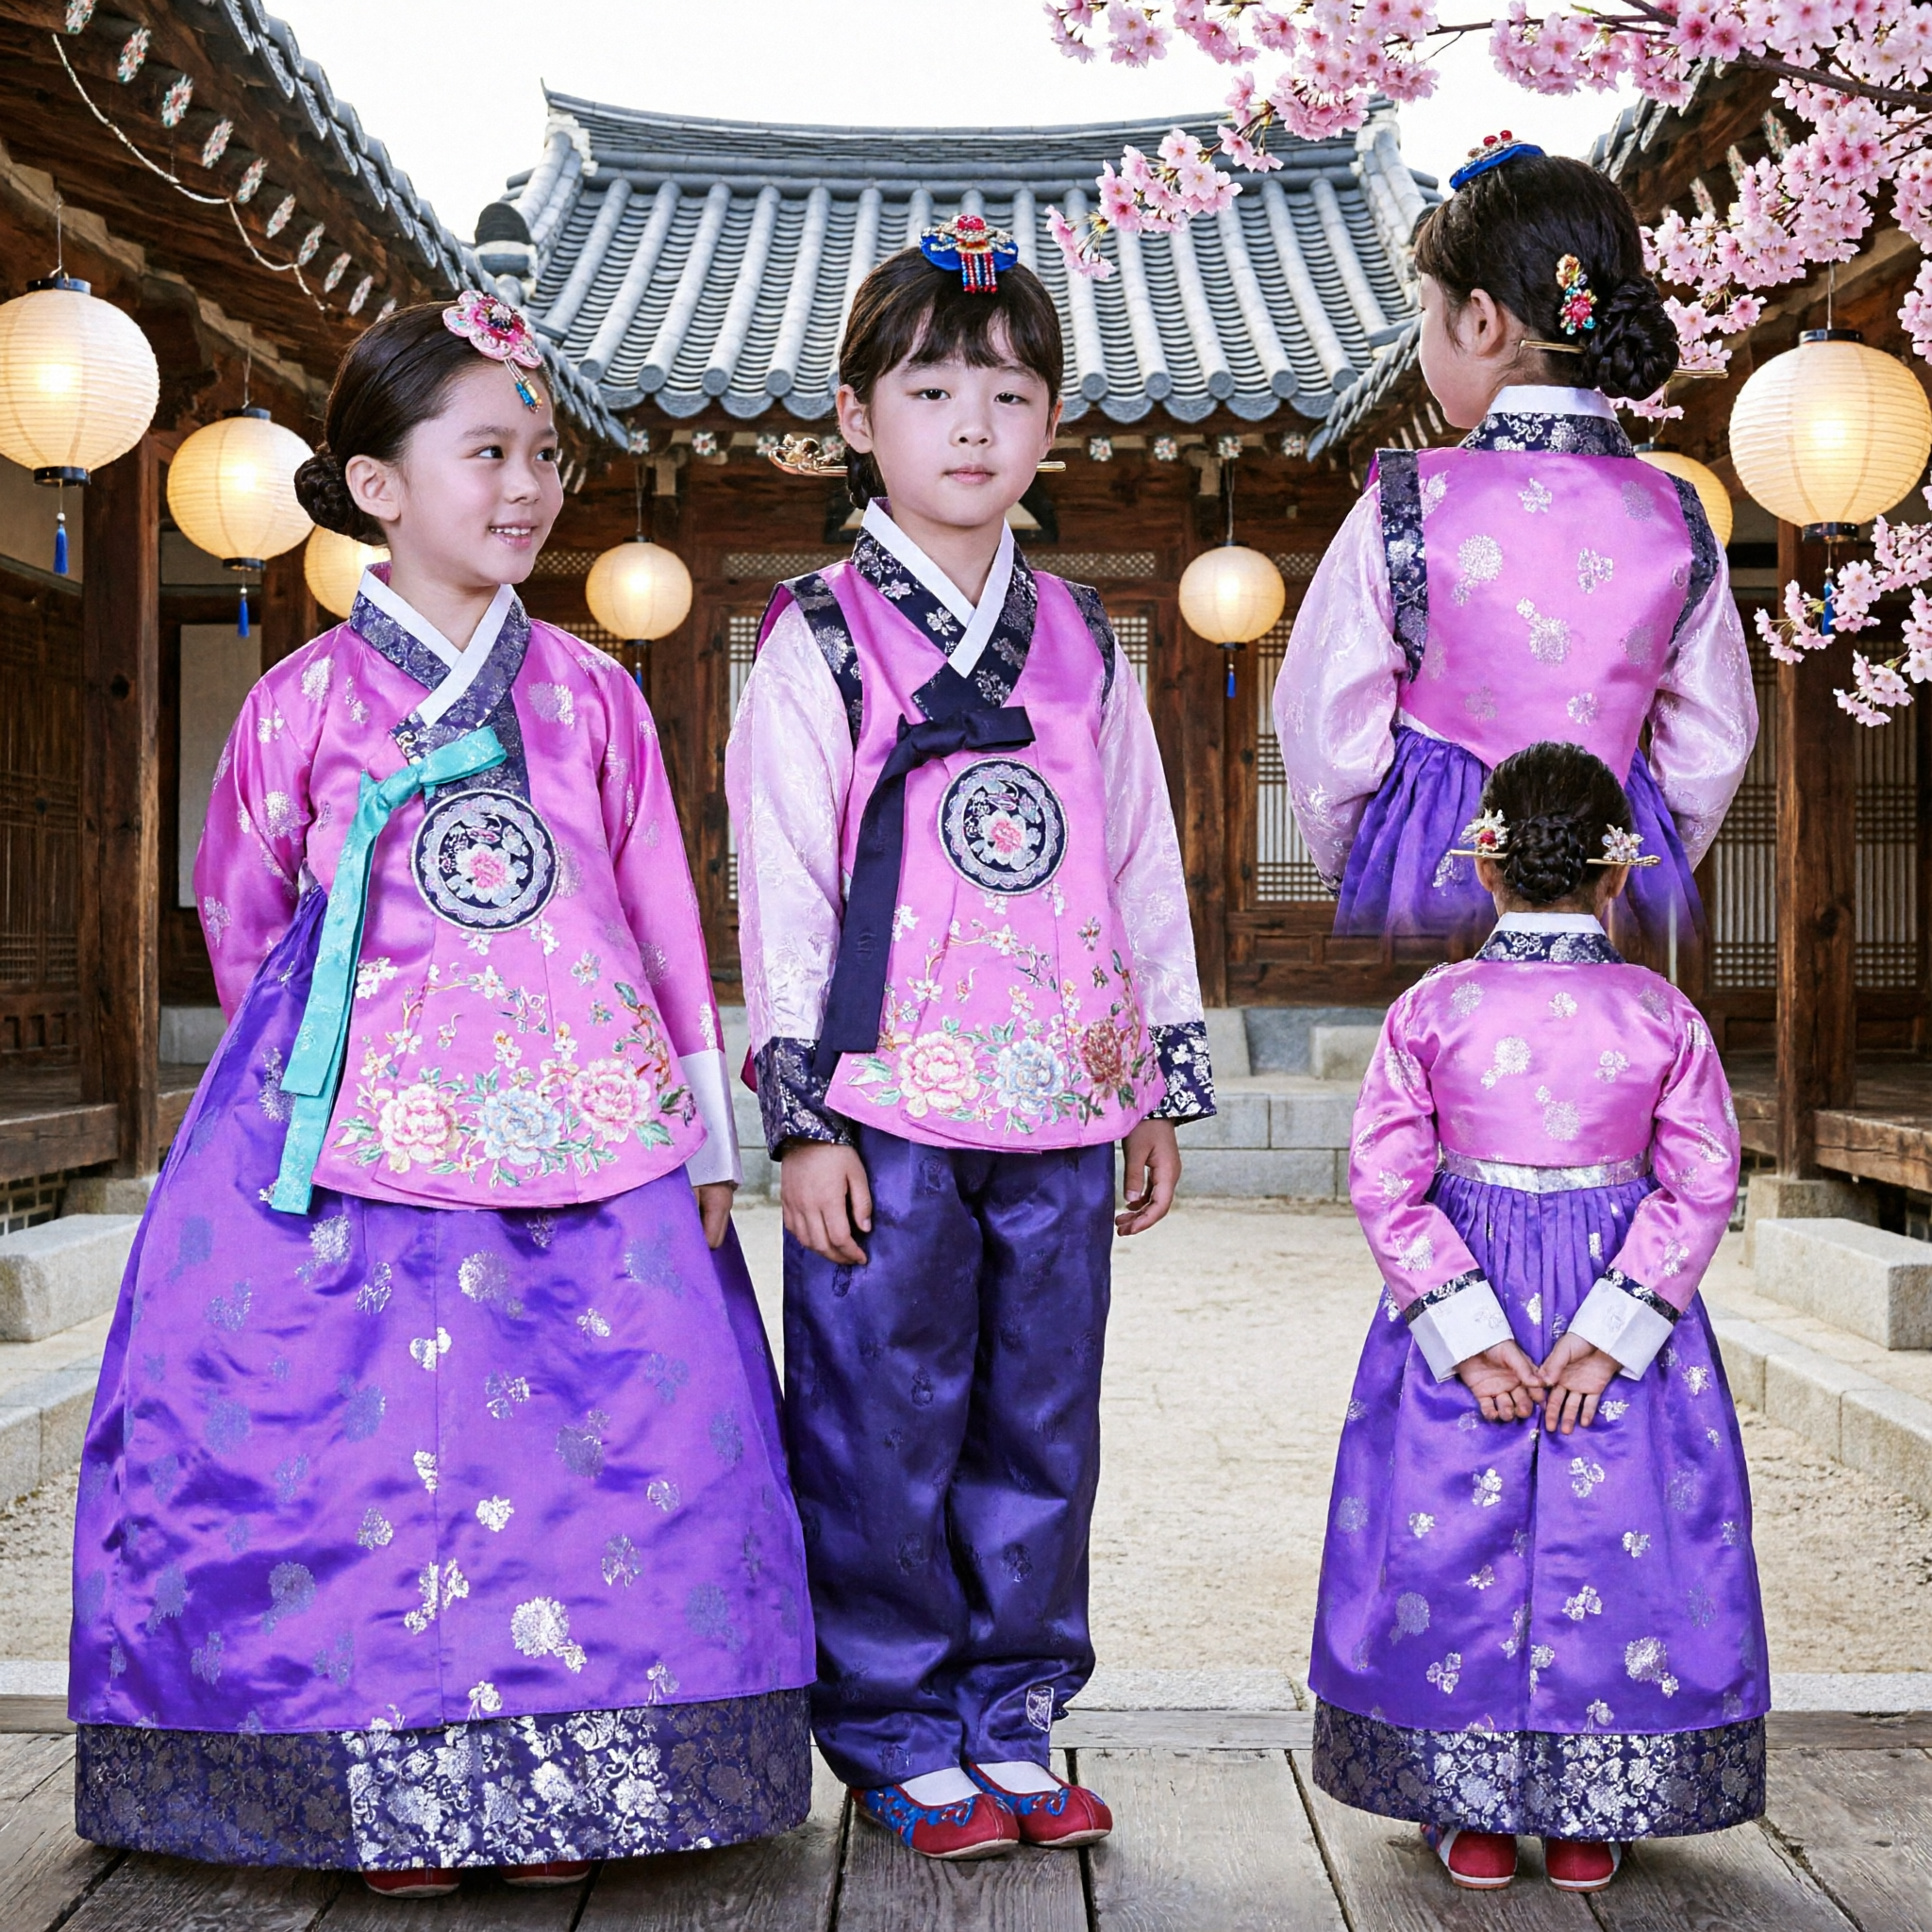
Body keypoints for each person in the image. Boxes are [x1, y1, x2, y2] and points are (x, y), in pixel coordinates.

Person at [67, 297, 814, 1895]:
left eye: (543, 453)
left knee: (589, 1444)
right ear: (379, 486)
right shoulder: (305, 704)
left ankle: (577, 1773)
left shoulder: (593, 697)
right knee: (372, 1456)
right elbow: (243, 917)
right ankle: (373, 1780)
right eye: (487, 452)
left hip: (594, 1126)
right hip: (350, 1141)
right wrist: (330, 1075)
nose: (529, 485)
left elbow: (661, 915)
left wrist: (703, 1119)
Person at [725, 216, 1215, 1861]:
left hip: (1062, 1096)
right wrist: (803, 1115)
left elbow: (1137, 856)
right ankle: (888, 1722)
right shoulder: (810, 633)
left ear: (1050, 427)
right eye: (929, 389)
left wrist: (1149, 1076)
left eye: (1006, 395)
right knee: (878, 1415)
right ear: (857, 418)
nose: (969, 427)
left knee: (1037, 1419)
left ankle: (1013, 1708)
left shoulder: (1078, 637)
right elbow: (784, 881)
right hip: (885, 1102)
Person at [1308, 740, 1768, 1895]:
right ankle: (1585, 1814)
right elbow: (1701, 1179)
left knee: (1444, 1534)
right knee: (1619, 1533)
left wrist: (1468, 1334)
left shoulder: (1430, 1009)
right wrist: (1612, 1330)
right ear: (1616, 874)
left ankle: (1466, 1817)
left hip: (1464, 1302)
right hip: (1617, 1306)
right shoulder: (1664, 1015)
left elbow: (1383, 1179)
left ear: (1482, 864)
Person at [1274, 137, 1757, 946]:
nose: (1423, 332)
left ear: (1481, 319)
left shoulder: (1406, 501)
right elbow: (1713, 740)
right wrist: (1642, 854)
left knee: (1442, 1059)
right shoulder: (1679, 512)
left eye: (1424, 309)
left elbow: (1324, 721)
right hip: (1609, 863)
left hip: (1446, 853)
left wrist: (1369, 857)